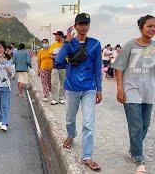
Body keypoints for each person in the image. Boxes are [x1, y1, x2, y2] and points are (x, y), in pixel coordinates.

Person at [55, 13, 102, 171]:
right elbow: (59, 60)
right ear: (75, 26)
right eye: (80, 23)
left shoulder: (95, 44)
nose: (84, 26)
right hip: (71, 88)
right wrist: (66, 42)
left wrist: (99, 89)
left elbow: (97, 68)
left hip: (89, 89)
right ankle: (71, 134)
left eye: (86, 23)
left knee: (89, 123)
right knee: (70, 118)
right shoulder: (69, 44)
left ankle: (87, 156)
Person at [112, 15, 155, 174]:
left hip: (148, 92)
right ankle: (139, 159)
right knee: (136, 125)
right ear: (141, 27)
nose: (152, 29)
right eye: (149, 26)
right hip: (131, 91)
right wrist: (120, 89)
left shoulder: (154, 47)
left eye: (154, 26)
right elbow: (119, 67)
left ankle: (133, 150)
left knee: (145, 125)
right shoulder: (130, 45)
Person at [49, 31, 66, 105]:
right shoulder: (53, 45)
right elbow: (50, 55)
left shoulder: (65, 44)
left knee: (63, 83)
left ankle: (61, 98)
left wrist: (61, 57)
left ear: (61, 36)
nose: (55, 37)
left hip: (64, 66)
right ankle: (54, 99)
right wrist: (56, 57)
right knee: (54, 83)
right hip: (55, 66)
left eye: (56, 35)